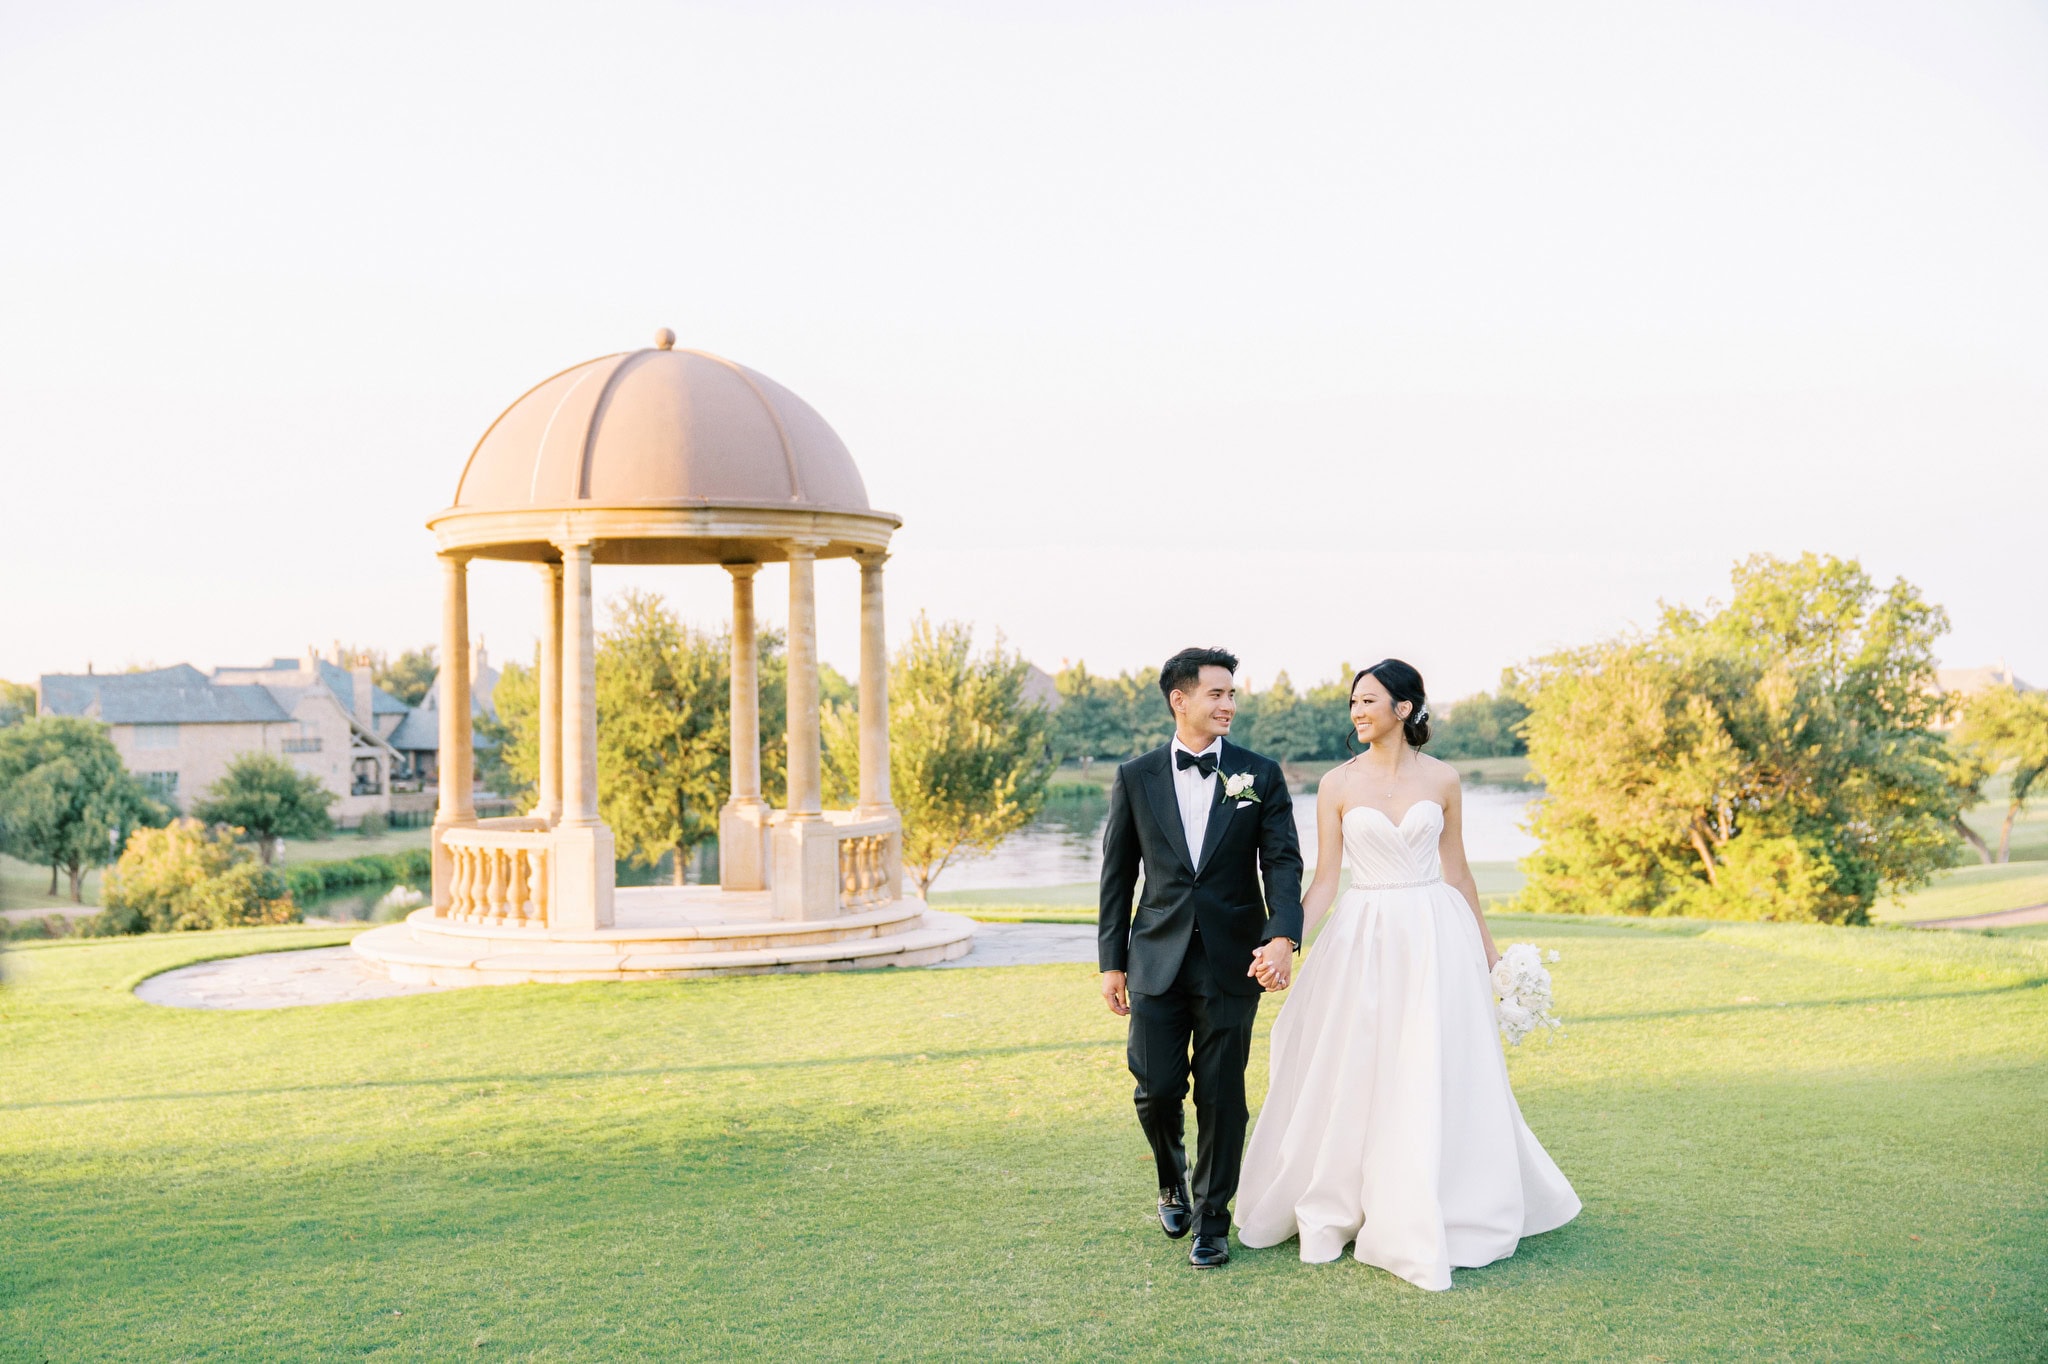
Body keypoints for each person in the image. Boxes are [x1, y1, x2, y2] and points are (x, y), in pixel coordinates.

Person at [1234, 658, 1580, 1290]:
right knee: (1357, 1062)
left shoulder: (1444, 779)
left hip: (1434, 932)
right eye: (1353, 704)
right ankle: (1347, 1199)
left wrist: (1490, 954)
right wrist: (1282, 941)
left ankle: (1440, 1198)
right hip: (1362, 933)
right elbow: (1326, 881)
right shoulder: (1338, 785)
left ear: (1404, 709)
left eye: (1369, 701)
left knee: (1429, 1062)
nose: (1357, 712)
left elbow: (1460, 872)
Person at [1097, 646, 1304, 1269]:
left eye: (1233, 694)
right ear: (1179, 700)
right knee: (1156, 1088)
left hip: (1231, 957)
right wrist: (1112, 961)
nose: (1229, 705)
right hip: (1155, 955)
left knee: (1221, 1094)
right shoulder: (1136, 777)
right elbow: (1117, 874)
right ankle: (1170, 1177)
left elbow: (1284, 862)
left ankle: (1213, 1220)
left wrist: (1281, 935)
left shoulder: (1259, 773)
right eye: (1217, 694)